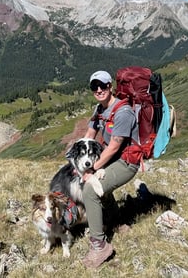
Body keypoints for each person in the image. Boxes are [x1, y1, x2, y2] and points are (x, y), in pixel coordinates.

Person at [81, 70, 139, 268]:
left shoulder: (123, 112)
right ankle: (117, 221)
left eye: (102, 85)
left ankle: (100, 245)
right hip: (110, 159)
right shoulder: (99, 110)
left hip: (126, 163)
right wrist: (79, 162)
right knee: (98, 185)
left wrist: (91, 169)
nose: (99, 89)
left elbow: (114, 145)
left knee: (90, 189)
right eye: (94, 86)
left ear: (110, 86)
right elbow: (89, 135)